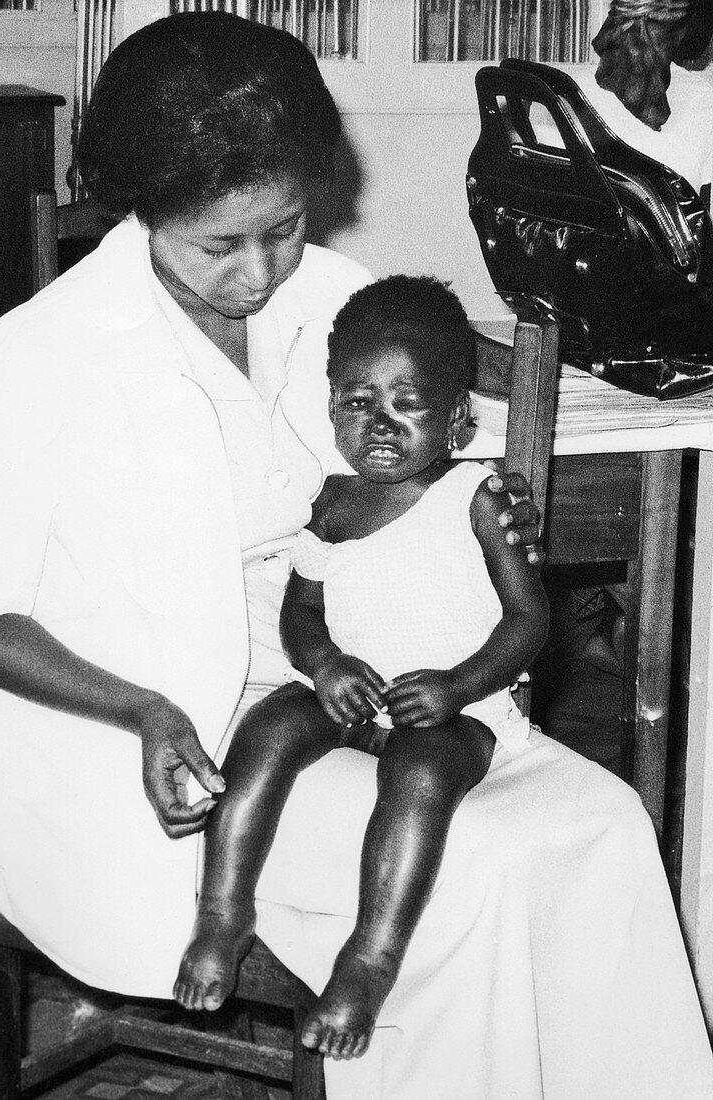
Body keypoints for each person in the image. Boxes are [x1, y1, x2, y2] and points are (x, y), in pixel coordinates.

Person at [0, 12, 713, 1098]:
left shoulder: (332, 296)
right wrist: (144, 709)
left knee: (601, 823)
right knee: (468, 864)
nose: (258, 273)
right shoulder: (30, 364)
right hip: (182, 737)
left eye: (283, 228)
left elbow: (442, 422)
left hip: (361, 678)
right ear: (137, 204)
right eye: (217, 244)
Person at [174, 275, 550, 1061]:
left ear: (455, 416)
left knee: (419, 775)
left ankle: (368, 960)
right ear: (331, 405)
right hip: (355, 695)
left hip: (455, 712)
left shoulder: (476, 499)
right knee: (270, 725)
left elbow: (529, 622)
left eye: (406, 403)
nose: (378, 423)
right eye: (356, 401)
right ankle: (222, 911)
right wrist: (325, 664)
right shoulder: (331, 506)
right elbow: (301, 613)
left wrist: (458, 686)